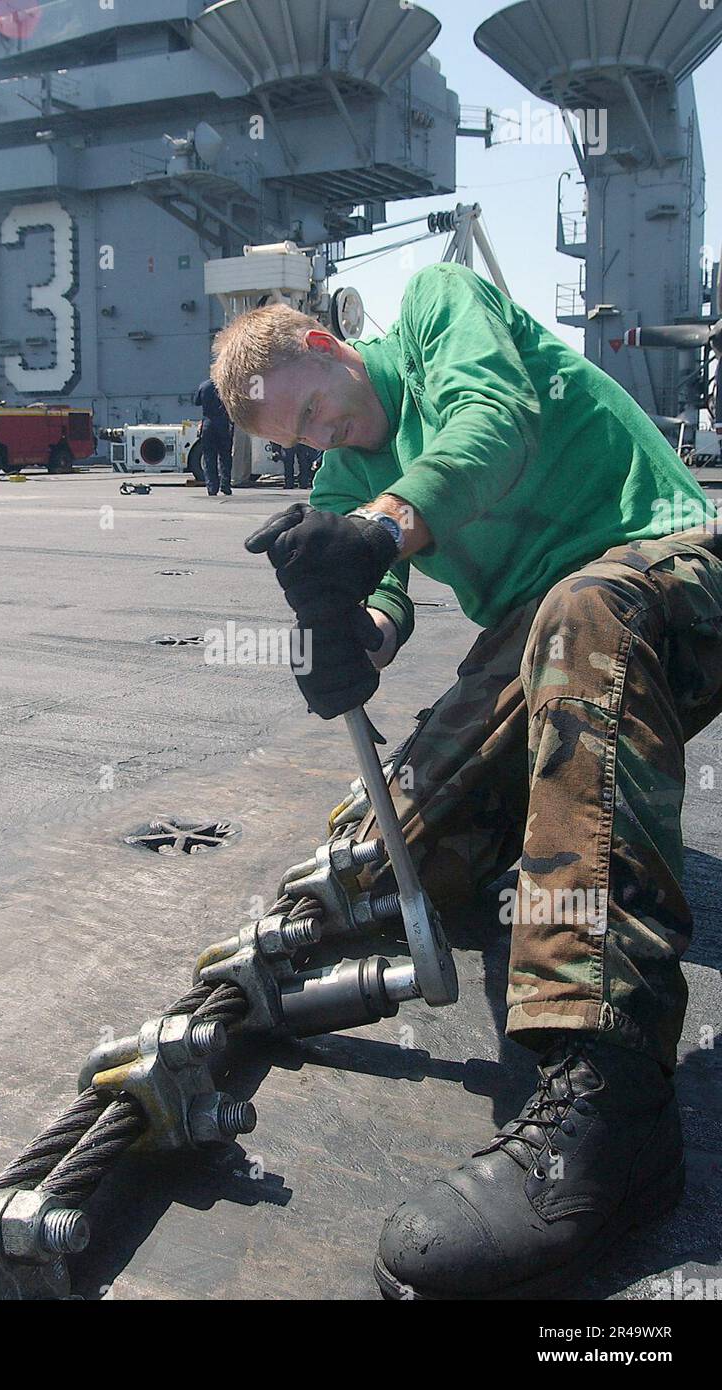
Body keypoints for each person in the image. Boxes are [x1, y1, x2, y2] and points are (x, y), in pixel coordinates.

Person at [210, 262, 722, 1300]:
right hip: (540, 626)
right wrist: (346, 632)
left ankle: (611, 1107)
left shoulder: (444, 307)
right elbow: (384, 597)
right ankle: (517, 840)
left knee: (586, 611)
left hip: (666, 563)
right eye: (300, 442)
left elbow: (494, 422)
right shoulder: (350, 474)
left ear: (331, 345)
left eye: (316, 411)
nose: (324, 442)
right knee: (388, 839)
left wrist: (376, 534)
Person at [195, 376, 233, 496]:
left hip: (208, 425)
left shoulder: (204, 386)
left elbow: (196, 402)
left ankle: (212, 487)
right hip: (223, 424)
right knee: (225, 456)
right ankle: (225, 485)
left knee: (209, 457)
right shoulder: (226, 387)